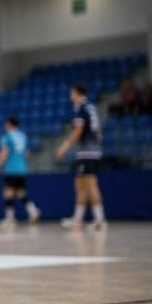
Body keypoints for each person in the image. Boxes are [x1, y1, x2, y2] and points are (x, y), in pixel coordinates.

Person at [55, 84, 107, 230]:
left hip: (87, 152)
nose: (70, 95)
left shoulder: (81, 107)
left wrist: (64, 147)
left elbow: (78, 130)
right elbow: (98, 131)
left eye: (71, 92)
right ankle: (78, 219)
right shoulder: (91, 107)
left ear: (77, 93)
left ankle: (99, 220)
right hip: (93, 150)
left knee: (90, 183)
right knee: (80, 184)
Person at [0, 116, 40, 227]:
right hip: (22, 169)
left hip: (11, 169)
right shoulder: (23, 136)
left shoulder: (7, 137)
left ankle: (10, 219)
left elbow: (5, 152)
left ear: (9, 124)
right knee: (20, 193)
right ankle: (33, 211)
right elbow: (28, 154)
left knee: (7, 193)